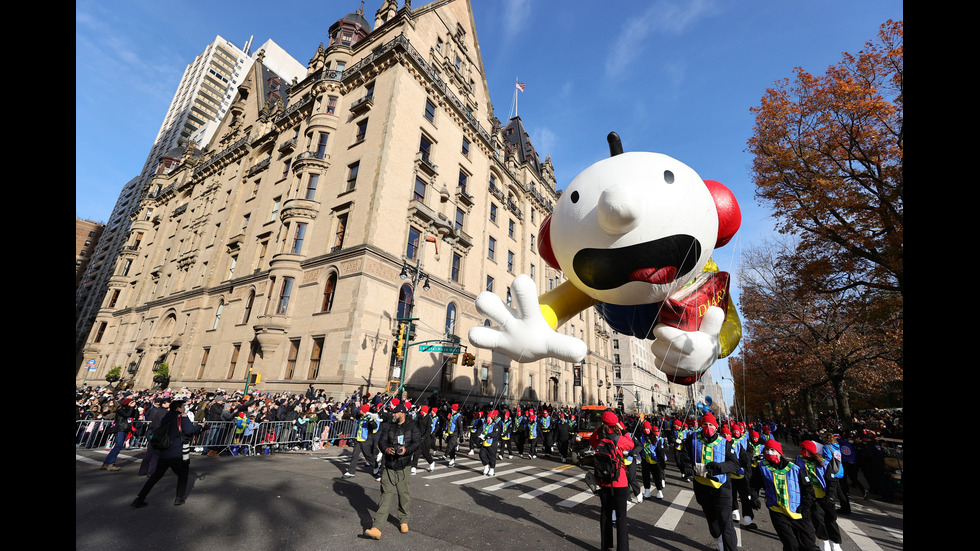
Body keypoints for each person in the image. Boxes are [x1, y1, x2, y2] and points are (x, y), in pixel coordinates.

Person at [679, 412, 740, 551]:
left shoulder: (724, 443)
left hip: (721, 488)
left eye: (711, 425)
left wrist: (721, 466)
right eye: (705, 424)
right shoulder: (692, 438)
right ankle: (718, 539)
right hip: (701, 487)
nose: (708, 427)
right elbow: (684, 455)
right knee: (712, 519)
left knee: (726, 522)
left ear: (716, 427)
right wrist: (687, 466)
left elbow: (735, 464)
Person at [363, 402, 421, 540]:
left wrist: (407, 450)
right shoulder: (389, 425)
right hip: (389, 465)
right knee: (385, 496)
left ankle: (403, 520)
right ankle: (377, 528)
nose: (393, 414)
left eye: (395, 412)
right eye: (392, 412)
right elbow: (381, 441)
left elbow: (417, 442)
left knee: (403, 494)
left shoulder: (412, 425)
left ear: (402, 413)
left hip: (404, 465)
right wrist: (386, 449)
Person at [131, 400, 204, 507]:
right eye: (183, 406)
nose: (185, 408)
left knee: (156, 476)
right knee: (183, 474)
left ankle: (140, 498)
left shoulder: (167, 416)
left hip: (164, 449)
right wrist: (200, 426)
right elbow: (189, 430)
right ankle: (179, 497)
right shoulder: (181, 417)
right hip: (177, 451)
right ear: (178, 408)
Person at [759, 439, 817, 551]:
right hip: (778, 511)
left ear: (779, 452)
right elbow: (754, 483)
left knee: (809, 545)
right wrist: (751, 496)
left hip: (798, 511)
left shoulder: (795, 469)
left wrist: (806, 506)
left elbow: (808, 489)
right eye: (767, 450)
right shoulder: (762, 467)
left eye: (772, 450)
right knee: (791, 545)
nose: (769, 452)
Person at [589, 410, 634, 551]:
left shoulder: (599, 435)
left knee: (605, 513)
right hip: (618, 480)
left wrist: (602, 426)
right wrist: (624, 430)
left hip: (602, 479)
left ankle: (605, 546)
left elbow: (592, 441)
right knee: (621, 516)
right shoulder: (618, 437)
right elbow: (631, 444)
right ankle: (622, 548)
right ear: (615, 423)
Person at [798, 440, 843, 551]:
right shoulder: (799, 460)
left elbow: (832, 482)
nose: (803, 452)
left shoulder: (824, 463)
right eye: (802, 449)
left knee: (831, 519)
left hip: (825, 496)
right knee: (818, 521)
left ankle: (835, 543)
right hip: (811, 497)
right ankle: (824, 542)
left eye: (805, 450)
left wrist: (831, 496)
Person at [137, 396, 171, 477]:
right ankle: (151, 472)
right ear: (164, 403)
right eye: (169, 402)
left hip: (151, 432)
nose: (170, 404)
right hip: (157, 434)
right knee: (156, 454)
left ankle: (143, 470)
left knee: (149, 453)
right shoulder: (164, 412)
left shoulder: (154, 410)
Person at [101, 397, 137, 471]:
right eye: (130, 403)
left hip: (125, 429)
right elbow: (127, 415)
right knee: (118, 445)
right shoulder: (120, 409)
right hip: (120, 429)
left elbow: (135, 416)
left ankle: (107, 463)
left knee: (118, 446)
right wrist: (131, 408)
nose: (132, 404)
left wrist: (135, 409)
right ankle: (109, 463)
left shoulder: (129, 409)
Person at [345, 404, 380, 478]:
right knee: (355, 455)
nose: (359, 410)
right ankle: (351, 472)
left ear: (364, 411)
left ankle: (375, 466)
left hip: (366, 439)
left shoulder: (370, 417)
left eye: (361, 409)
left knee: (368, 455)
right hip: (358, 439)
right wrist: (355, 404)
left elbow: (375, 427)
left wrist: (371, 421)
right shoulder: (361, 416)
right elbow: (354, 412)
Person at [638, 421, 667, 500]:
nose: (646, 430)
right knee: (645, 476)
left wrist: (662, 462)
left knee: (657, 477)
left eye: (647, 428)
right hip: (645, 460)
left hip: (655, 461)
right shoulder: (641, 437)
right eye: (644, 428)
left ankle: (659, 491)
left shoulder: (656, 439)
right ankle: (647, 491)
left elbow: (660, 451)